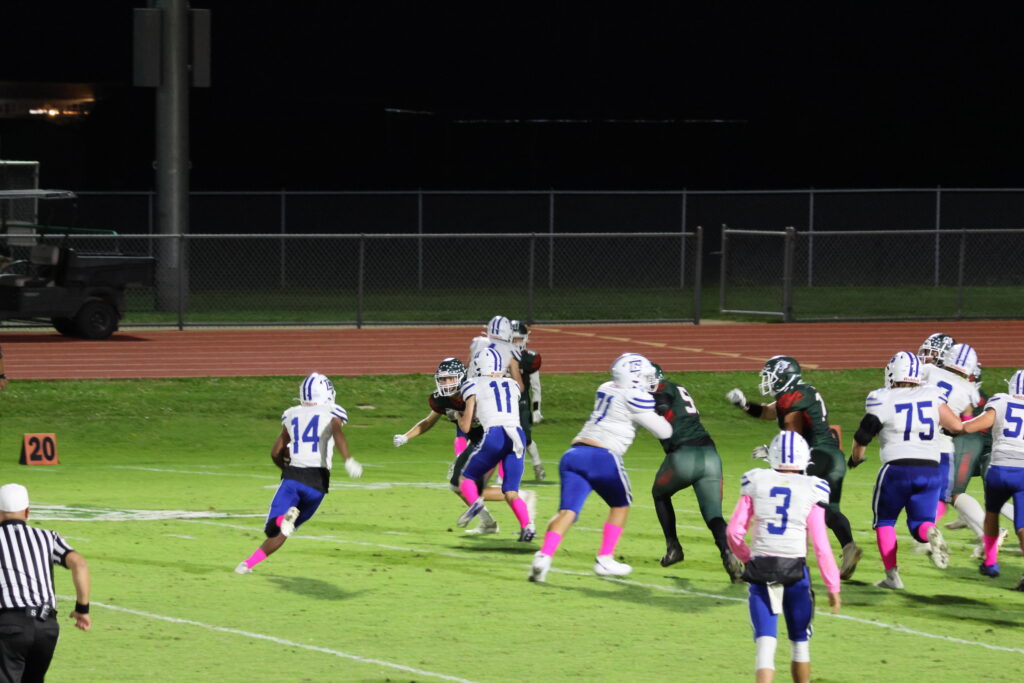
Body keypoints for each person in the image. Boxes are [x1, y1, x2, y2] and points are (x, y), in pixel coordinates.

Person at [528, 353, 672, 582]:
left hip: (573, 455)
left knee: (567, 512)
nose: (649, 381)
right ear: (633, 378)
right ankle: (605, 558)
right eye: (645, 376)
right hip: (602, 456)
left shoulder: (606, 387)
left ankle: (544, 556)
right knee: (621, 505)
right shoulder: (635, 396)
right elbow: (664, 432)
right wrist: (661, 410)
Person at [726, 355, 862, 580]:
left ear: (783, 377)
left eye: (771, 376)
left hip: (814, 457)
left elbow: (792, 432)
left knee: (790, 506)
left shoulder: (792, 397)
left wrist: (774, 452)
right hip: (833, 457)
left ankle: (782, 560)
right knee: (829, 510)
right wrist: (745, 405)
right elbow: (769, 412)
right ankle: (849, 547)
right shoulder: (802, 391)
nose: (767, 381)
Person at [726, 431, 841, 683]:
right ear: (805, 457)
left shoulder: (756, 480)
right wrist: (833, 586)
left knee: (765, 647)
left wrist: (748, 558)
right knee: (800, 644)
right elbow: (821, 545)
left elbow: (733, 532)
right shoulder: (812, 487)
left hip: (761, 569)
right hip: (795, 571)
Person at [848, 351, 965, 588]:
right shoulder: (932, 394)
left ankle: (893, 577)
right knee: (920, 524)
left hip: (897, 469)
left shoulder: (882, 398)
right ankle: (930, 532)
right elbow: (955, 426)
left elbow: (863, 436)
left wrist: (855, 459)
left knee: (885, 522)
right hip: (931, 469)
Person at [235, 372, 362, 574]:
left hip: (293, 478)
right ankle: (247, 564)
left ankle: (279, 522)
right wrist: (348, 459)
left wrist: (286, 469)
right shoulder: (332, 411)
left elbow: (275, 452)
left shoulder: (292, 414)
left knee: (273, 528)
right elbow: (337, 433)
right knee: (286, 530)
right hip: (318, 484)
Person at [393, 357, 522, 534]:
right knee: (457, 486)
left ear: (462, 377)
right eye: (443, 379)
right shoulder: (442, 399)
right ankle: (489, 523)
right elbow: (429, 421)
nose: (447, 383)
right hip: (477, 442)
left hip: (493, 440)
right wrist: (406, 436)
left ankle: (519, 498)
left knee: (471, 486)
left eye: (451, 378)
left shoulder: (477, 389)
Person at [649, 362, 744, 581]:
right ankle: (728, 554)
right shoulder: (675, 387)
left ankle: (673, 547)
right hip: (710, 455)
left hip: (684, 455)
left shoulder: (663, 388)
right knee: (714, 515)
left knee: (659, 493)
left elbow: (661, 403)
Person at [0, 483, 92, 682]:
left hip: (8, 625)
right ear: (27, 511)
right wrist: (82, 609)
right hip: (46, 626)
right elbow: (79, 564)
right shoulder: (48, 537)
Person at [455, 348, 535, 541]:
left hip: (496, 434)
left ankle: (476, 504)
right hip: (517, 436)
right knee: (511, 492)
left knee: (466, 479)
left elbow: (466, 426)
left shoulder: (472, 384)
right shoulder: (512, 384)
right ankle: (527, 527)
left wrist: (458, 416)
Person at [959, 369, 1024, 589]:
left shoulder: (1002, 400)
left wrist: (960, 428)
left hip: (1000, 469)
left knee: (991, 514)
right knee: (1022, 525)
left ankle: (991, 562)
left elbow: (980, 423)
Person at [921, 342, 988, 555]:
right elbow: (965, 422)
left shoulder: (929, 371)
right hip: (944, 443)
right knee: (945, 494)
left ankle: (924, 533)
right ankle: (928, 530)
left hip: (916, 436)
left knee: (920, 488)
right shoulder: (970, 390)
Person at [510, 320, 546, 480]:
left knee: (525, 437)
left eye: (518, 338)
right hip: (503, 402)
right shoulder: (500, 356)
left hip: (521, 402)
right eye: (513, 338)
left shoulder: (530, 358)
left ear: (525, 338)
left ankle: (537, 465)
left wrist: (537, 409)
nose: (516, 342)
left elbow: (536, 387)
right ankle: (501, 475)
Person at [469, 315, 524, 392]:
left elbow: (469, 367)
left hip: (470, 390)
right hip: (491, 394)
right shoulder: (510, 349)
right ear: (508, 331)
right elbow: (520, 387)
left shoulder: (477, 342)